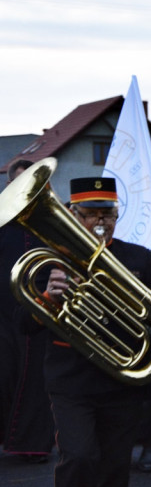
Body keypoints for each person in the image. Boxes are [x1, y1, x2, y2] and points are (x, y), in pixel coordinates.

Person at [27, 177, 151, 487]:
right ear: (72, 214)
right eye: (89, 212)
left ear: (117, 214)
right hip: (71, 380)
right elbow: (23, 324)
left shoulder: (138, 258)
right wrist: (46, 299)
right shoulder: (48, 261)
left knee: (113, 466)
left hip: (121, 380)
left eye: (106, 212)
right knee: (78, 457)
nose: (98, 220)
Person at [0, 158, 54, 463]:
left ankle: (32, 445)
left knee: (37, 382)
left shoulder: (50, 223)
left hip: (41, 311)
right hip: (3, 316)